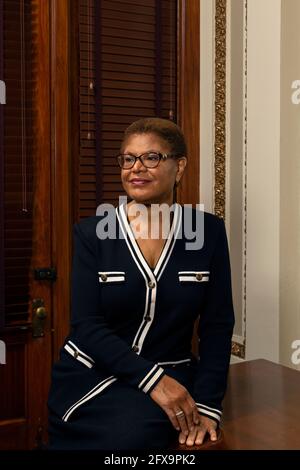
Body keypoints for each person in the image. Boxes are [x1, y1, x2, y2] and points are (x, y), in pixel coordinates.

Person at [47, 117, 235, 450]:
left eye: (151, 158)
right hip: (94, 377)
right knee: (129, 438)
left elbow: (218, 326)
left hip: (173, 372)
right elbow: (86, 326)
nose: (136, 168)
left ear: (179, 167)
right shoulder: (93, 233)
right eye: (128, 159)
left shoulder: (207, 232)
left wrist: (208, 405)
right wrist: (154, 382)